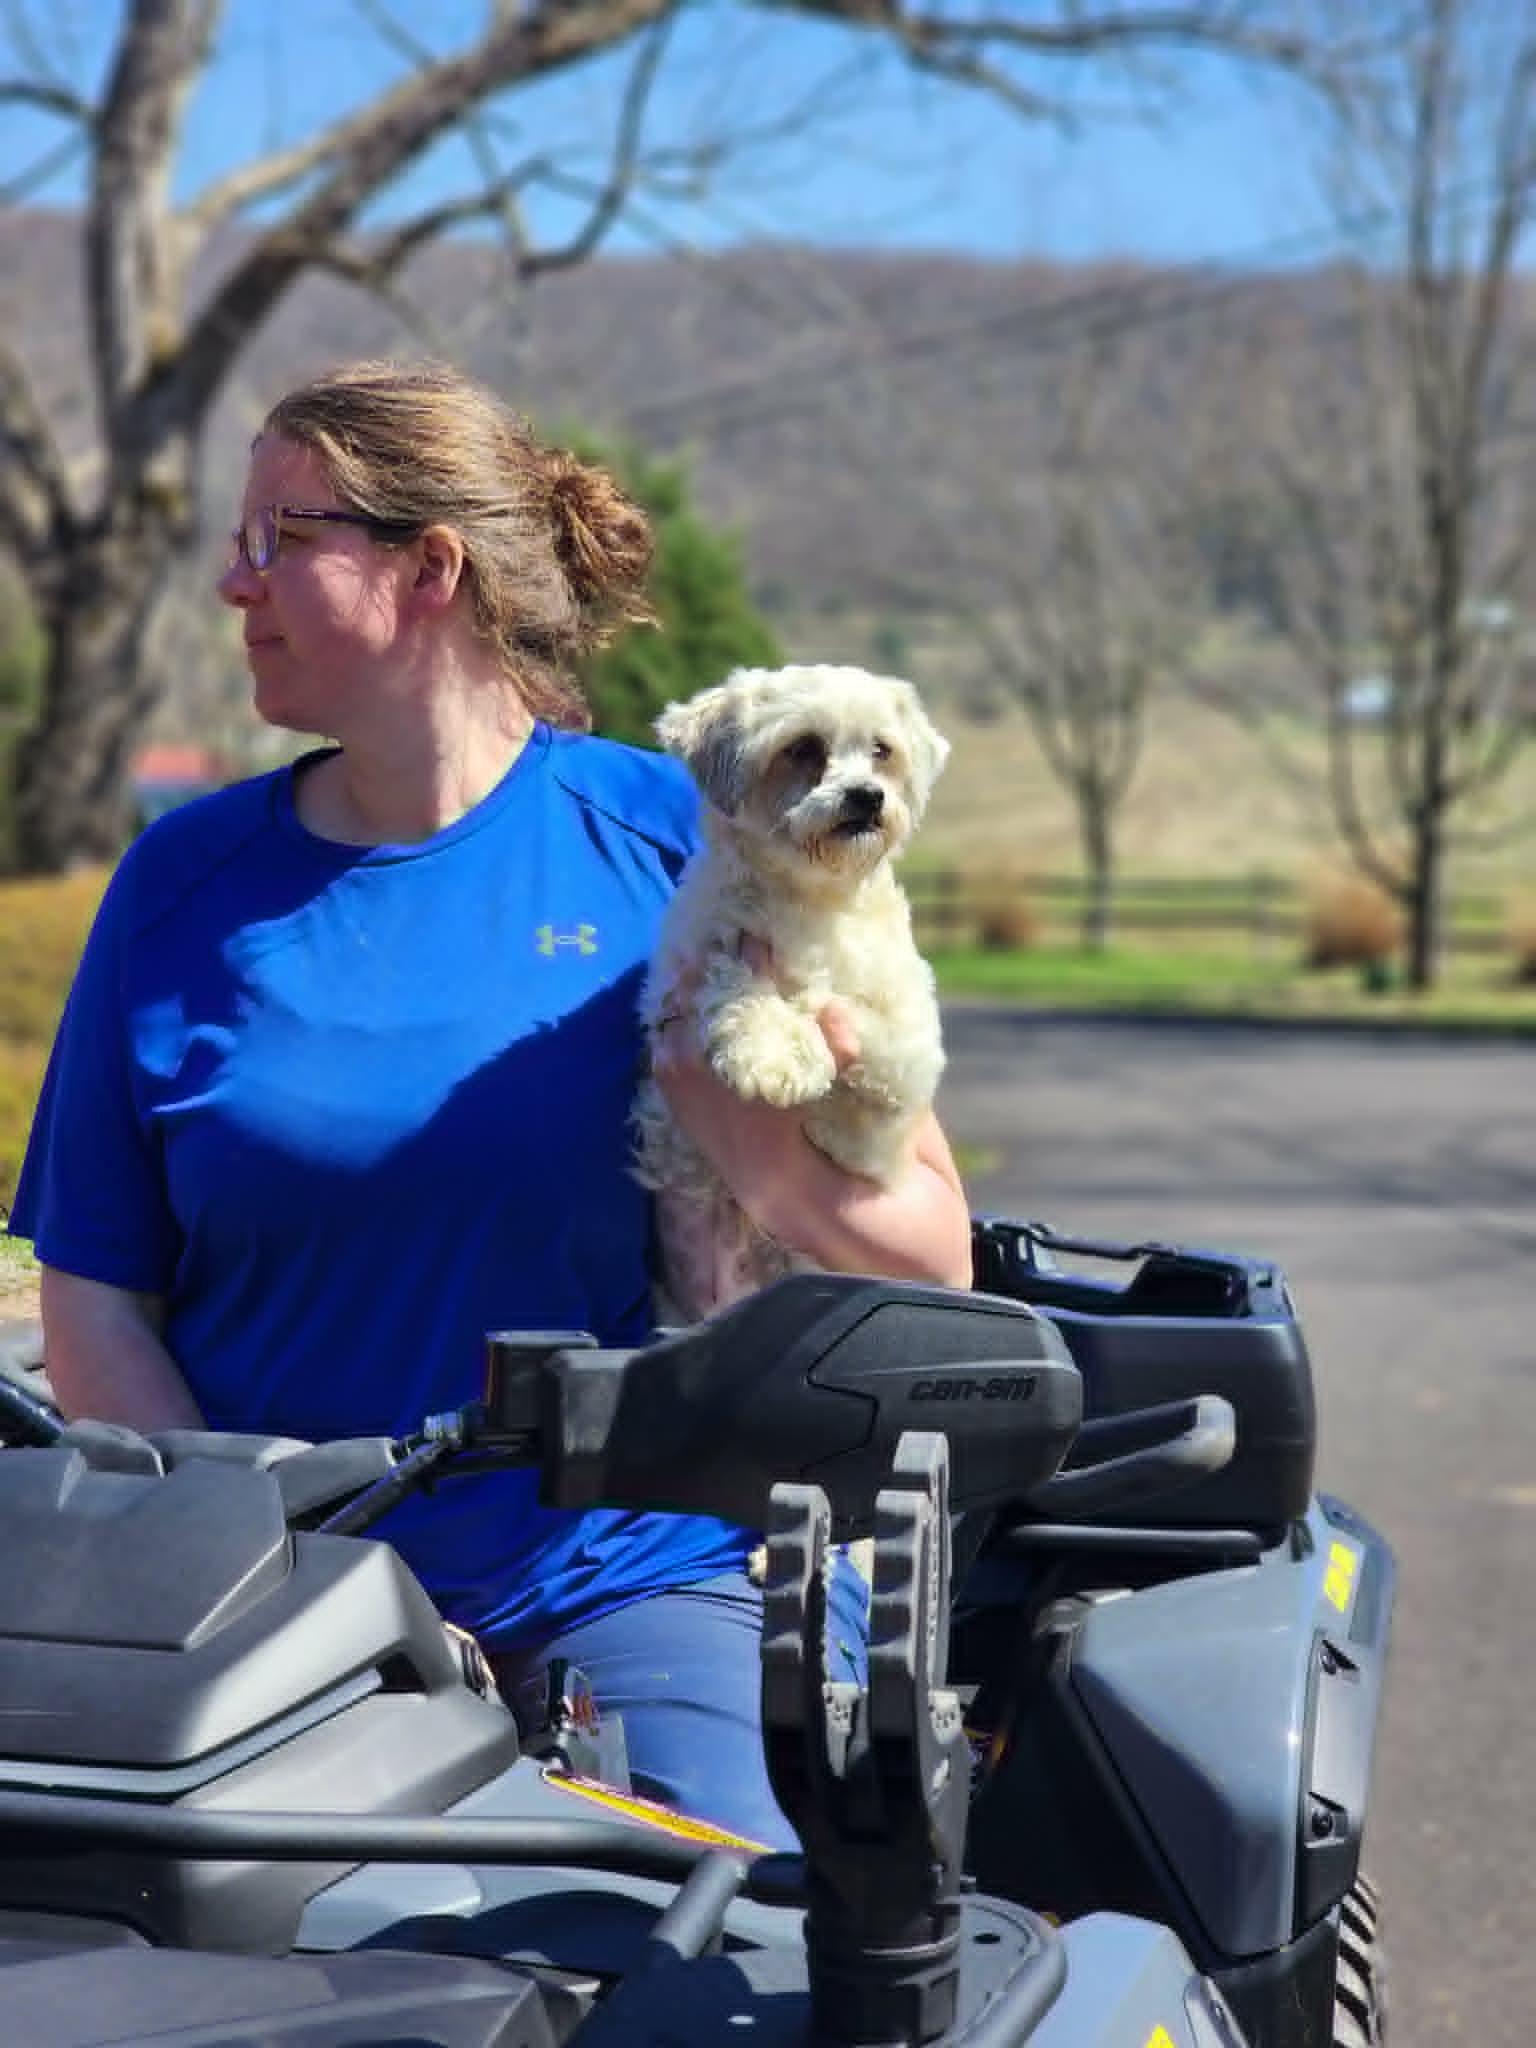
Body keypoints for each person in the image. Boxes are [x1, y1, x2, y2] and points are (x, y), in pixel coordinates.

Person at [7, 358, 972, 1847]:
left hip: (641, 1580)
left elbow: (933, 1258)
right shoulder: (181, 885)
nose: (232, 580)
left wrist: (756, 1153)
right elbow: (94, 1303)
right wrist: (281, 1585)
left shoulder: (690, 838)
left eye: (279, 537)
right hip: (267, 1603)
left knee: (719, 1938)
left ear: (430, 570)